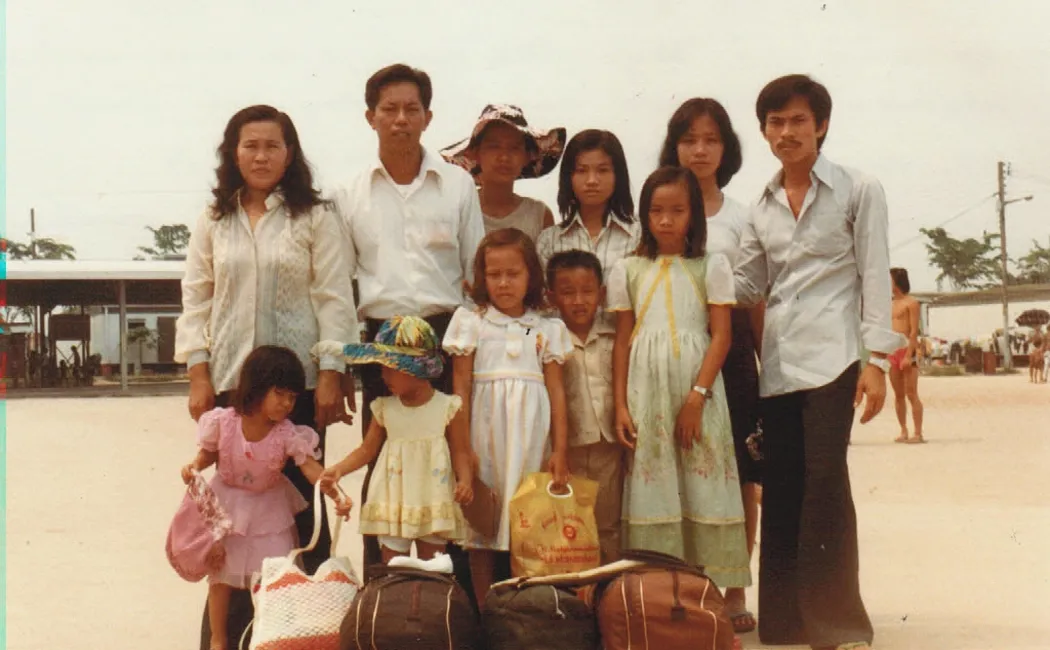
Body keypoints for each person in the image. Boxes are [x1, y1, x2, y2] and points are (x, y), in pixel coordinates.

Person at [174, 104, 357, 650]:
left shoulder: (316, 217)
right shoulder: (214, 219)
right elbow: (196, 296)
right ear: (233, 152)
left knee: (301, 516)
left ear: (290, 153)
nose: (261, 156)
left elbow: (333, 297)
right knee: (230, 524)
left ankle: (305, 633)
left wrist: (330, 372)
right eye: (250, 145)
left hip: (294, 391)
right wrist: (198, 374)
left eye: (272, 146)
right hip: (234, 386)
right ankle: (224, 640)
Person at [734, 74, 904, 650]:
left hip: (837, 359)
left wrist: (877, 360)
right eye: (775, 123)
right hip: (779, 361)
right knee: (783, 486)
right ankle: (784, 624)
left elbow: (874, 273)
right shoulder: (759, 205)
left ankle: (837, 625)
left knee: (826, 484)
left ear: (821, 125)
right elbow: (749, 282)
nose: (787, 132)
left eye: (798, 121)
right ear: (763, 131)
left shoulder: (859, 189)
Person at [332, 63, 484, 590]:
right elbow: (338, 287)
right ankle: (384, 599)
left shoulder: (458, 185)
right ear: (370, 117)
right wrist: (342, 366)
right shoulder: (347, 193)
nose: (401, 119)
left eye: (411, 109)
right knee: (385, 461)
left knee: (448, 464)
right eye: (389, 109)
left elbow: (476, 278)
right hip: (381, 345)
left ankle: (448, 605)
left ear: (428, 117)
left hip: (445, 334)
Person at [609, 166, 750, 591]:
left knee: (703, 483)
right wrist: (619, 404)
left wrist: (696, 397)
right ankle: (661, 598)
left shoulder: (712, 266)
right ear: (644, 215)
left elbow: (721, 335)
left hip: (698, 391)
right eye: (656, 211)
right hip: (646, 393)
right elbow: (621, 343)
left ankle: (708, 598)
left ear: (694, 215)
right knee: (657, 485)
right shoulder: (628, 269)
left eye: (677, 210)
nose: (666, 220)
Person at [658, 97, 762, 633]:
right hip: (673, 353)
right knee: (683, 470)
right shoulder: (659, 207)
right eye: (689, 139)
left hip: (734, 350)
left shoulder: (744, 216)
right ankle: (691, 587)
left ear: (727, 147)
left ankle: (736, 588)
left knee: (741, 473)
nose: (700, 150)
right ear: (674, 146)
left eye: (711, 139)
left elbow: (758, 296)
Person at [180, 346, 350, 650]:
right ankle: (218, 638)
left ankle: (266, 635)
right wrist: (194, 465)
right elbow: (209, 452)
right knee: (221, 576)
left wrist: (336, 493)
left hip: (270, 510)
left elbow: (311, 468)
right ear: (257, 388)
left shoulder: (287, 433)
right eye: (280, 394)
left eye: (293, 398)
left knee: (272, 579)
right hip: (228, 506)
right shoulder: (225, 421)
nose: (286, 404)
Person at [443, 228, 573, 603]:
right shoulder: (471, 323)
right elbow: (461, 389)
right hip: (485, 434)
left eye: (513, 274)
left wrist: (560, 450)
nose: (503, 283)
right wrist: (463, 449)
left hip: (532, 437)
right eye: (494, 274)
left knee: (527, 522)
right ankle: (487, 611)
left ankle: (521, 611)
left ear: (531, 276)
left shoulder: (547, 328)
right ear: (481, 277)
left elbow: (557, 392)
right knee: (484, 521)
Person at [318, 316, 475, 561]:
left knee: (432, 567)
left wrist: (465, 479)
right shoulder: (384, 408)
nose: (384, 376)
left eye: (391, 369)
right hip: (393, 500)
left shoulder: (448, 407)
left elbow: (460, 451)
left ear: (416, 369)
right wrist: (339, 469)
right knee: (392, 565)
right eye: (382, 369)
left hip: (432, 499)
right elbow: (366, 451)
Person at [546, 249, 623, 564]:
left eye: (588, 291)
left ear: (602, 294)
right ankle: (574, 598)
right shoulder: (543, 332)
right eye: (567, 293)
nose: (579, 300)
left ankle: (609, 594)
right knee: (568, 525)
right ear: (551, 297)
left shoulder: (615, 330)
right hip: (567, 448)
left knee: (608, 524)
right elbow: (518, 332)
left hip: (608, 445)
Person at [440, 104, 564, 241]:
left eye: (514, 148)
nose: (504, 157)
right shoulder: (456, 211)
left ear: (528, 156)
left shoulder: (538, 215)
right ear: (475, 153)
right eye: (494, 147)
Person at [535, 129, 639, 278]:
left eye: (602, 170)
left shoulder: (639, 235)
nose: (591, 180)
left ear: (618, 175)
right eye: (581, 170)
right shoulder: (549, 241)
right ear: (568, 177)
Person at [889, 267, 925, 443]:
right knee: (898, 394)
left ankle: (918, 432)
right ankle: (903, 429)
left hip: (906, 350)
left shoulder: (911, 303)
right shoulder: (888, 304)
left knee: (911, 393)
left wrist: (908, 355)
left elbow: (913, 331)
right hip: (892, 351)